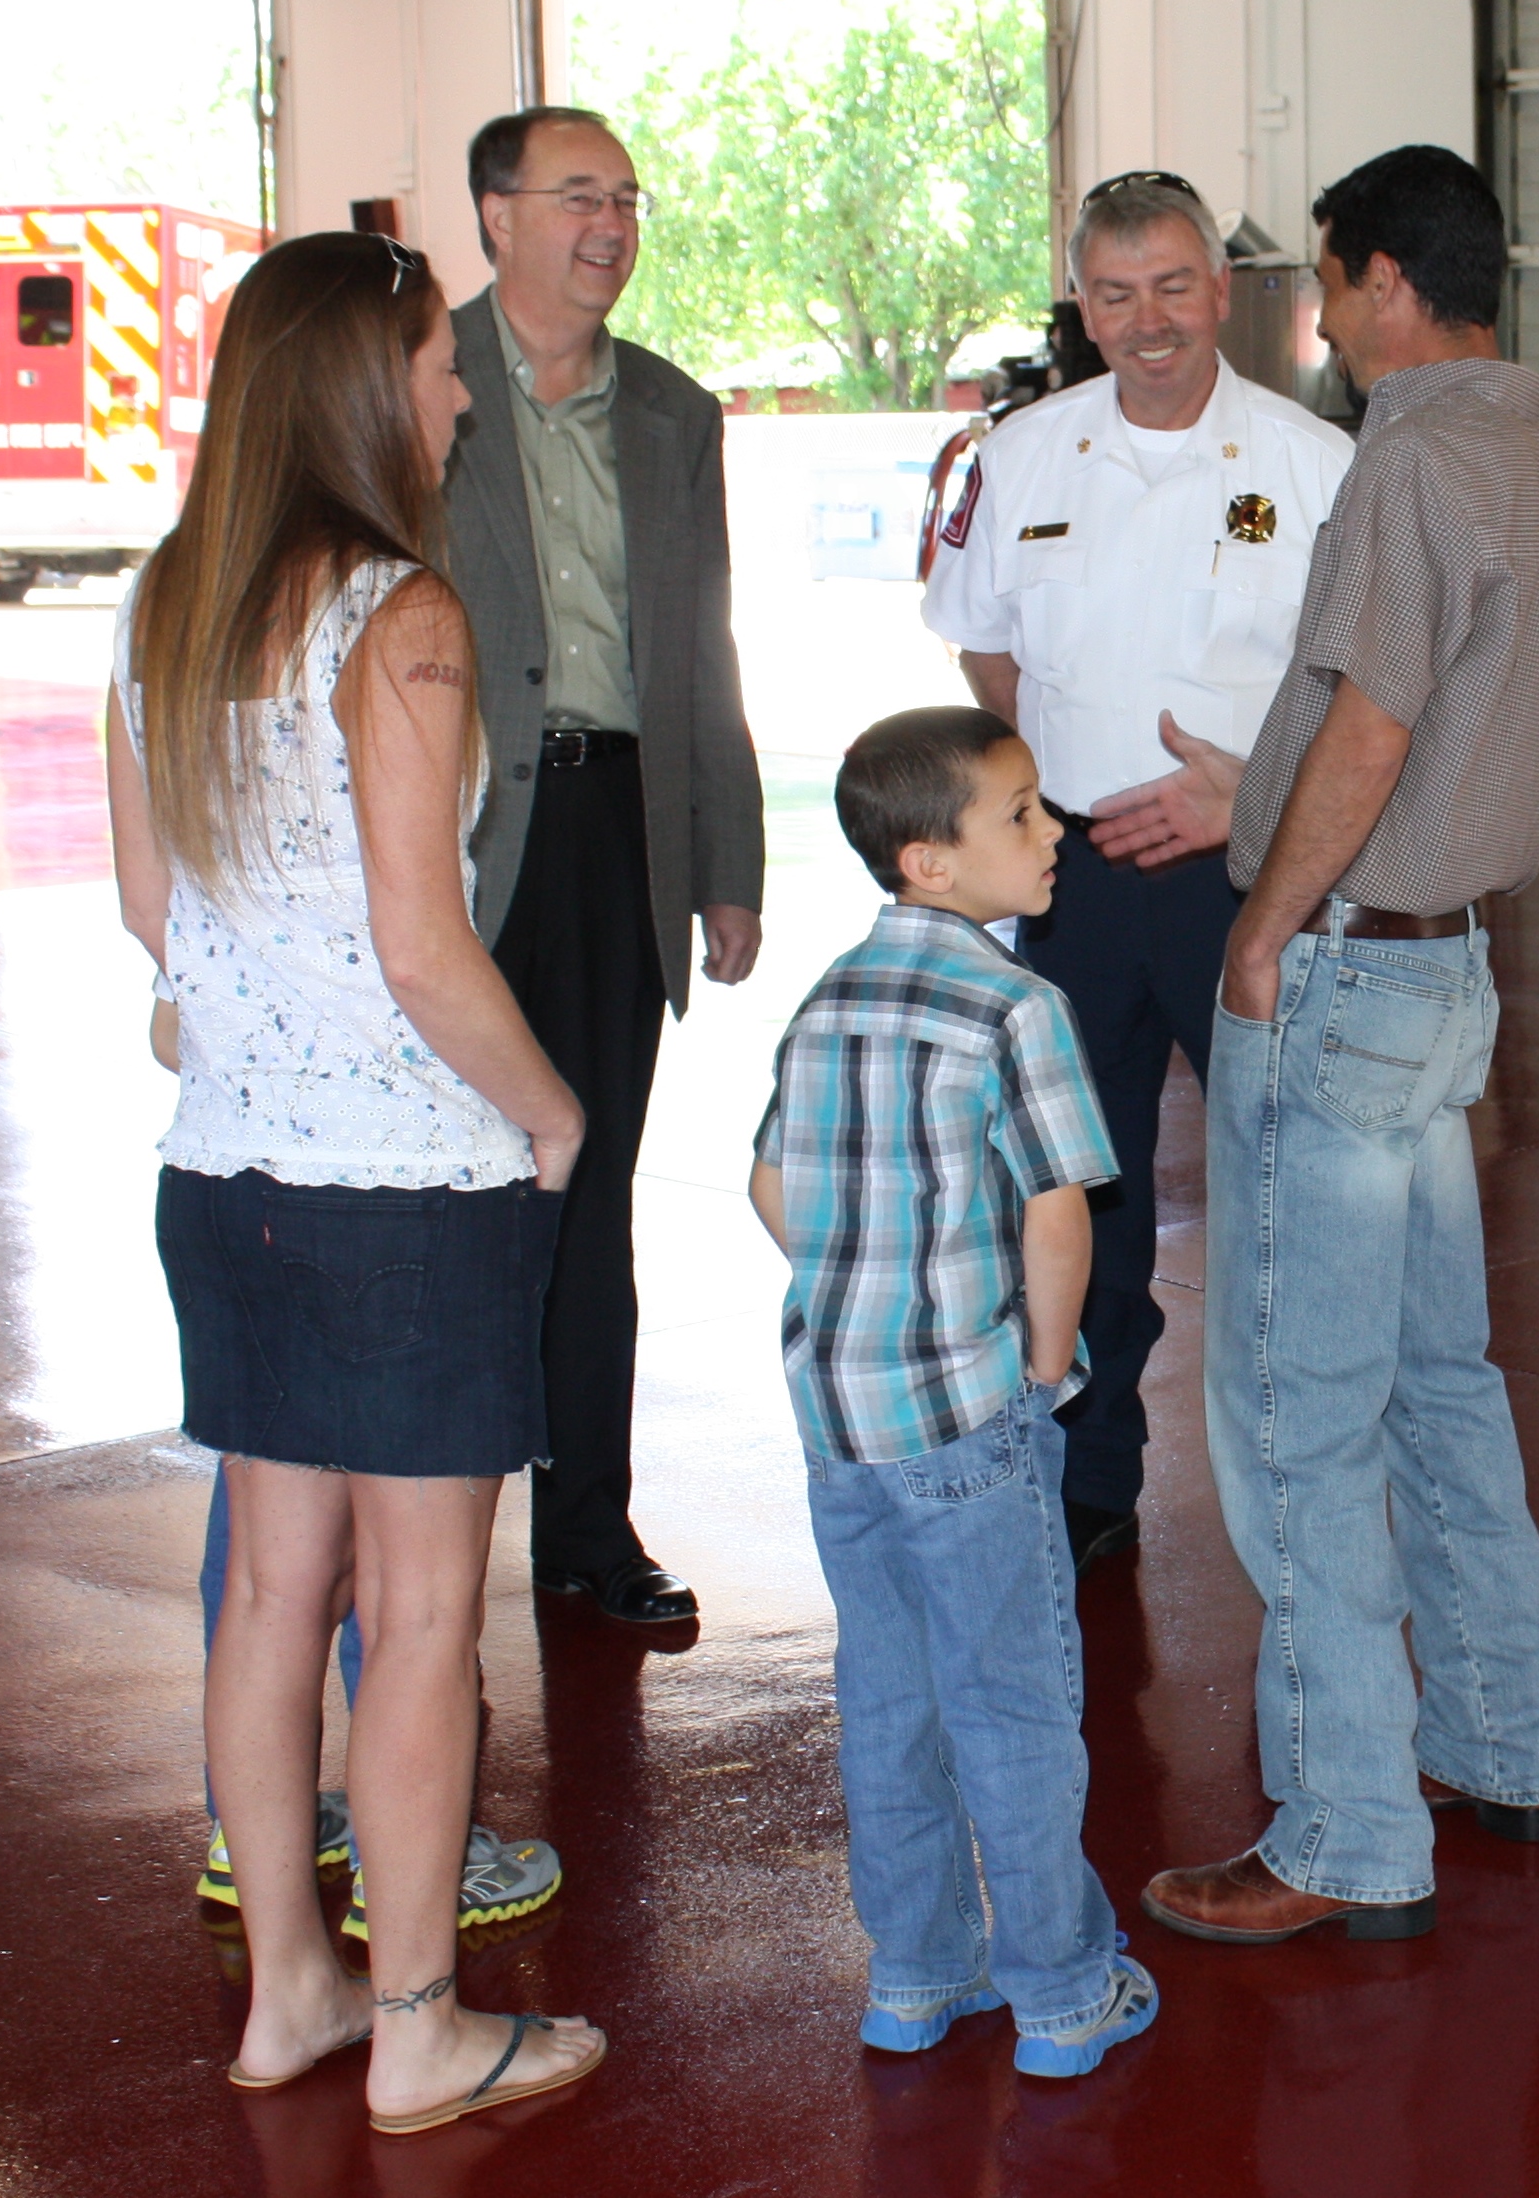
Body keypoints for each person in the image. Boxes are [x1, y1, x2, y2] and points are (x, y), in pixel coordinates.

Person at [108, 230, 607, 2130]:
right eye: (435, 361)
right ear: (360, 386)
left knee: (266, 1597)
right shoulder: (401, 614)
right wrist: (550, 1112)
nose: (460, 389)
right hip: (402, 1190)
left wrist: (246, 1020)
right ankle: (417, 2020)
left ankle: (291, 1995)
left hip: (224, 1176)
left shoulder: (166, 601)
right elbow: (423, 944)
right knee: (417, 1616)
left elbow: (153, 910)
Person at [1139, 144, 1539, 1945]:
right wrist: (1258, 789)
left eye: (1332, 286)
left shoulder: (1409, 459)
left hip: (1341, 974)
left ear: (1390, 285)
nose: (1325, 323)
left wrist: (1263, 915)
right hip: (1445, 974)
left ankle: (1346, 1824)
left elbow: (1374, 720)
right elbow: (1439, 725)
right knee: (1441, 1382)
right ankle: (1500, 1740)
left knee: (1294, 1415)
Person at [921, 168, 1354, 1581]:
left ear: (1220, 291)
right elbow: (984, 643)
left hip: (1249, 880)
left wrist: (1243, 795)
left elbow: (1356, 688)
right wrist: (1066, 773)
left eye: (1173, 286)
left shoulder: (1311, 463)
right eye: (1116, 294)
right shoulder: (1022, 456)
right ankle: (1092, 1471)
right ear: (1081, 305)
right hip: (1079, 886)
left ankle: (1308, 1472)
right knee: (1078, 1188)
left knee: (1288, 1182)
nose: (1148, 320)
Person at [748, 705, 1160, 2072]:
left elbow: (771, 1183)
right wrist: (1041, 1368)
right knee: (1013, 1701)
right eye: (1022, 814)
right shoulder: (1015, 1005)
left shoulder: (830, 997)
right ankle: (1061, 1991)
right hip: (969, 1415)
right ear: (929, 860)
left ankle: (916, 1975)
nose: (1054, 834)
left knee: (889, 1698)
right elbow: (1059, 1210)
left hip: (840, 1417)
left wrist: (861, 1278)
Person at [447, 106, 768, 1626]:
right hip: (447, 834)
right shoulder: (419, 378)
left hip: (615, 833)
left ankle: (584, 1527)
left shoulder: (672, 411)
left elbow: (703, 648)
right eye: (579, 196)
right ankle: (428, 1537)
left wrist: (726, 858)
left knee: (587, 1191)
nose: (612, 226)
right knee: (442, 1190)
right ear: (496, 213)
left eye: (628, 199)